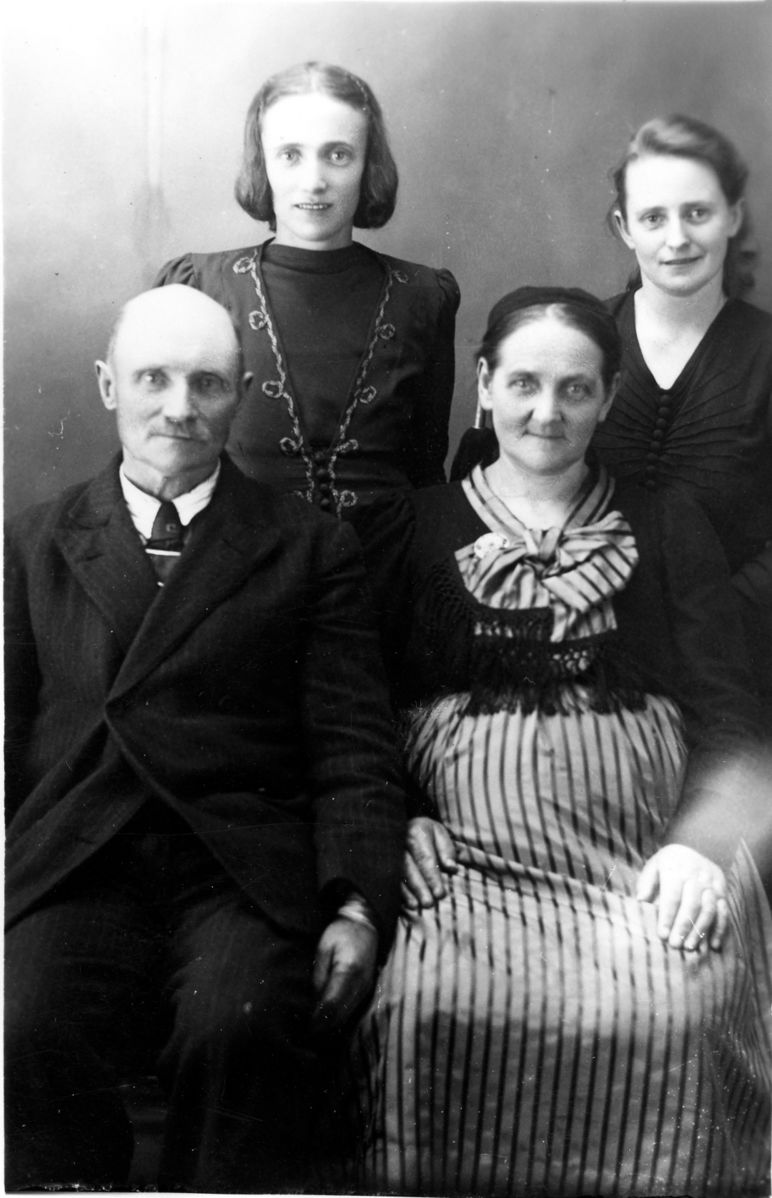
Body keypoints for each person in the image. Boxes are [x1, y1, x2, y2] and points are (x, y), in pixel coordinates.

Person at [339, 287, 771, 1197]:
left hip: (645, 857)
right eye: (524, 384)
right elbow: (355, 709)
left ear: (608, 398)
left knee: (675, 1014)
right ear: (484, 384)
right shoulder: (411, 528)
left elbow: (733, 717)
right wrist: (398, 821)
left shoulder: (668, 523)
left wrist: (701, 848)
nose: (548, 412)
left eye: (576, 389)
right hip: (465, 863)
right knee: (425, 1007)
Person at [4, 284, 406, 1193]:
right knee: (18, 1023)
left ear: (242, 394)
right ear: (109, 385)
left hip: (237, 866)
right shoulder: (31, 545)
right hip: (79, 856)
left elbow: (353, 744)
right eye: (154, 379)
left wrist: (358, 905)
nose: (180, 409)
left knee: (240, 1028)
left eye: (208, 384)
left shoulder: (308, 546)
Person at [155, 61, 460, 517]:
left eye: (338, 155)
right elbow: (168, 464)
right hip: (239, 555)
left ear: (367, 164)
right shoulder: (199, 286)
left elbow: (428, 471)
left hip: (391, 559)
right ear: (263, 163)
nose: (314, 182)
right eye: (290, 155)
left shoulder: (423, 295)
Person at [591, 114, 772, 706]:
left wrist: (700, 633)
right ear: (624, 228)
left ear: (733, 217)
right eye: (653, 218)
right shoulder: (579, 339)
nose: (677, 239)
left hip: (741, 667)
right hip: (583, 662)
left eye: (697, 213)